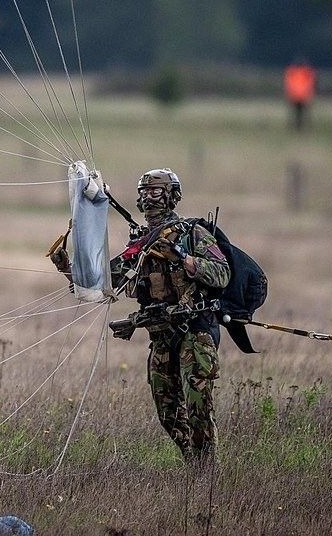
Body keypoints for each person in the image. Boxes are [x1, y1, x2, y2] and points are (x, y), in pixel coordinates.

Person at [52, 168, 230, 460]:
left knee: (198, 406)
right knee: (168, 411)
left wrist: (182, 259)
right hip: (161, 337)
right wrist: (68, 269)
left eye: (155, 191)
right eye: (144, 192)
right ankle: (194, 463)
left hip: (195, 334)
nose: (148, 198)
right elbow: (106, 284)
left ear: (172, 196)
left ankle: (207, 472)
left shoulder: (191, 233)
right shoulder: (140, 245)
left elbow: (222, 274)